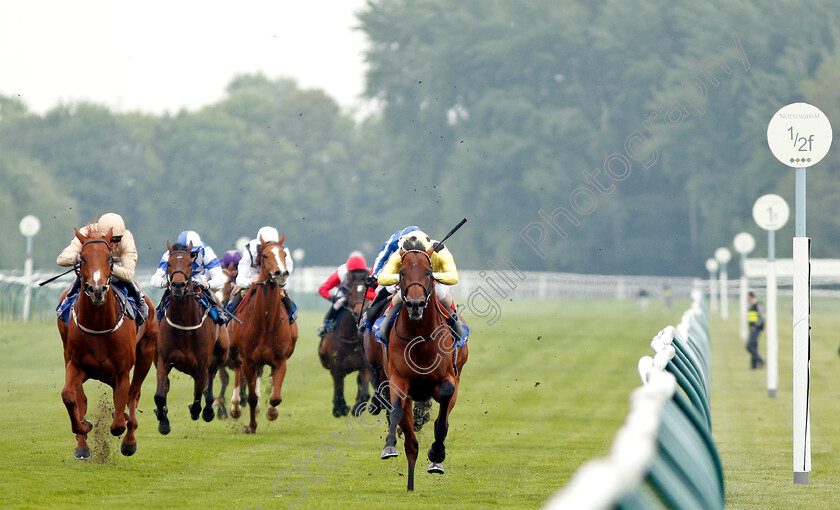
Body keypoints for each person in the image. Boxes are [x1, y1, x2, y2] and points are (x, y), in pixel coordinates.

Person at [56, 212, 149, 325]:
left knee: (126, 280)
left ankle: (140, 301)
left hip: (116, 268)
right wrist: (79, 259)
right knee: (85, 273)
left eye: (117, 239)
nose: (114, 244)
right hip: (91, 270)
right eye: (111, 240)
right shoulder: (85, 233)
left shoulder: (127, 239)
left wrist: (105, 265)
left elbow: (129, 274)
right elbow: (61, 259)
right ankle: (68, 298)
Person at [376, 229, 463, 341]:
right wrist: (405, 277)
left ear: (430, 250)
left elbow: (453, 277)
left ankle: (456, 334)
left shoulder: (441, 252)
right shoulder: (400, 253)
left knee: (444, 298)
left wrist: (429, 276)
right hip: (409, 286)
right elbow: (382, 279)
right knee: (386, 323)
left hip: (436, 285)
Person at [148, 230, 229, 324]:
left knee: (210, 297)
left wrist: (205, 285)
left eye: (194, 254)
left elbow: (219, 279)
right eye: (187, 254)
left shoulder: (207, 253)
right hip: (177, 283)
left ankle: (218, 312)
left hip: (198, 279)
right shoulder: (170, 255)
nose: (191, 258)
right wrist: (166, 283)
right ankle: (158, 315)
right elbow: (154, 280)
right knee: (166, 297)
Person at [227, 226, 297, 323]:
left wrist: (279, 281)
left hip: (274, 281)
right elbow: (240, 279)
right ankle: (227, 319)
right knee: (231, 307)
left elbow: (286, 281)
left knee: (292, 311)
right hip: (252, 281)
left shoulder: (283, 252)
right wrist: (251, 281)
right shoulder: (250, 250)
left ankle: (292, 322)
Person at [361, 226, 421, 330]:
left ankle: (454, 321)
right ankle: (368, 317)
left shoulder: (427, 244)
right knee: (387, 289)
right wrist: (374, 276)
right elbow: (382, 258)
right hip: (397, 272)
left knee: (440, 294)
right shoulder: (394, 242)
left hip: (420, 275)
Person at [316, 254, 376, 337]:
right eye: (354, 272)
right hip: (344, 293)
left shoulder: (368, 275)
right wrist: (330, 297)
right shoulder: (341, 274)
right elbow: (323, 289)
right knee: (339, 303)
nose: (358, 275)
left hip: (360, 295)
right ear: (348, 271)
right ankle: (327, 325)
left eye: (360, 272)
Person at [746, 291, 766, 369]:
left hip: (755, 329)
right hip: (752, 328)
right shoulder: (752, 306)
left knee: (749, 346)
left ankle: (761, 360)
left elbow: (761, 317)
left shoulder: (758, 305)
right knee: (754, 346)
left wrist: (755, 325)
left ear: (750, 297)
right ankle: (754, 365)